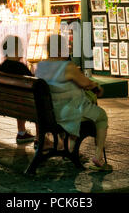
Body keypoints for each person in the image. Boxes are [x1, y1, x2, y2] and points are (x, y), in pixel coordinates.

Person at [35, 34, 112, 171]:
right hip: (66, 112)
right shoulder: (67, 67)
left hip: (48, 113)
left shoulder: (40, 66)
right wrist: (97, 87)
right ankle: (98, 156)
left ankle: (70, 150)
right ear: (59, 50)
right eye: (65, 48)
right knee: (101, 116)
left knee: (78, 112)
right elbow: (87, 84)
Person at [0, 35, 37, 144]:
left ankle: (21, 132)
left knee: (19, 99)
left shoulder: (3, 66)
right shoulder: (21, 67)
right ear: (16, 50)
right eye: (20, 47)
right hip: (23, 103)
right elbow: (34, 84)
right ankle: (40, 138)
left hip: (7, 103)